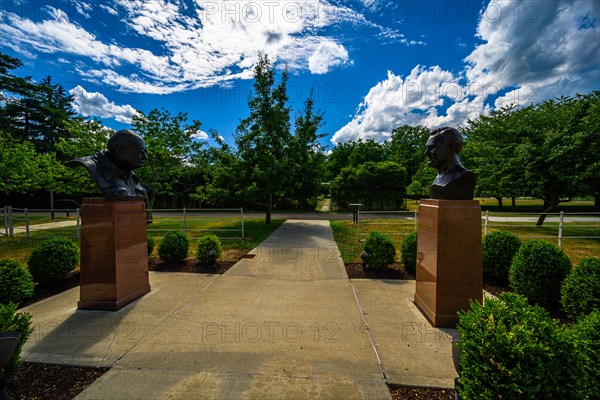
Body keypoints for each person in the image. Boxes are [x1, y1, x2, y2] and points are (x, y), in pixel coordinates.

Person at [71, 129, 148, 199]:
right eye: (141, 153)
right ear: (119, 151)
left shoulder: (132, 177)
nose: (145, 157)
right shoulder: (92, 166)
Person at [425, 127, 476, 200]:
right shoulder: (439, 177)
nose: (426, 153)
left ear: (453, 147)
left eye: (432, 147)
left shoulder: (464, 177)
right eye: (426, 148)